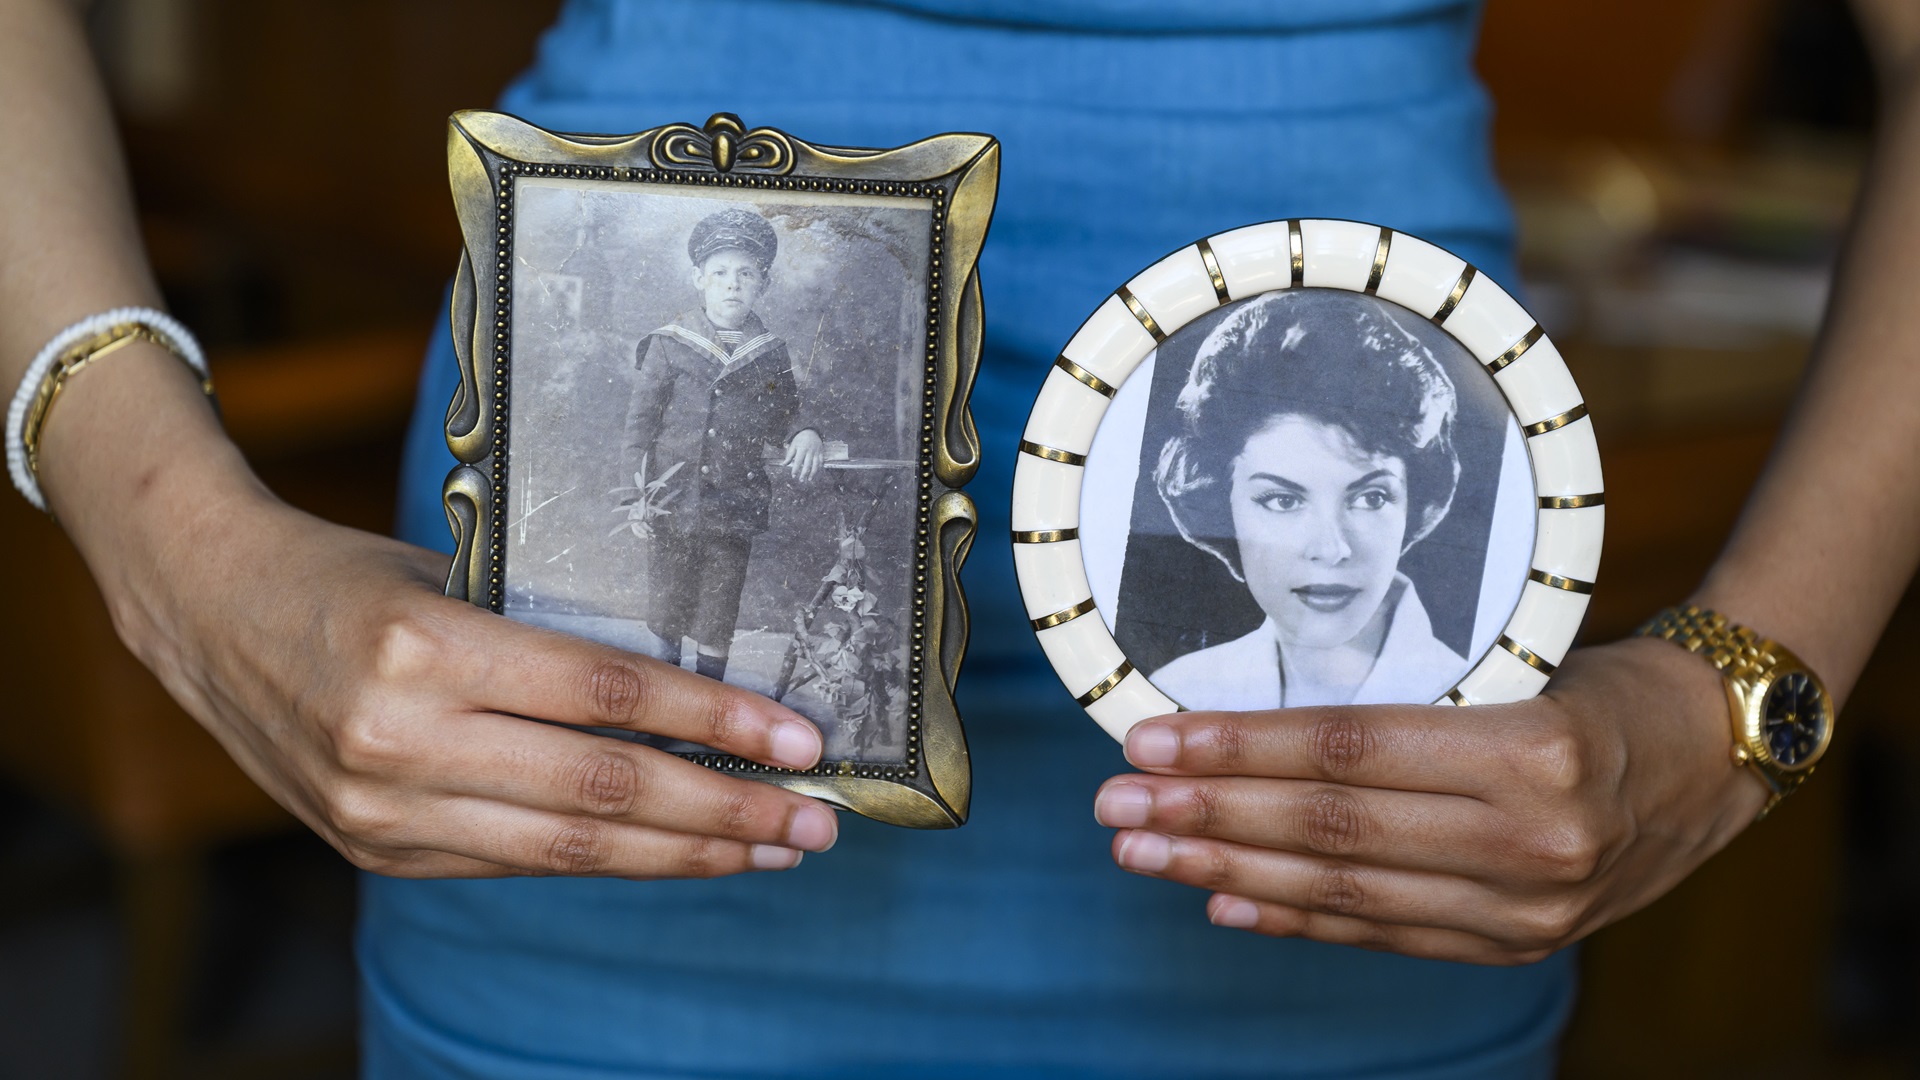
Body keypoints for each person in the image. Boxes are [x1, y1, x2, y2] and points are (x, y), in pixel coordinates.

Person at [6, 0, 1920, 1076]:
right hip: (603, 745)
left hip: (1355, 795)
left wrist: (1748, 694)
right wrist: (173, 553)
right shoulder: (689, 338)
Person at [1151, 289, 1472, 709]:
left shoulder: (1486, 694)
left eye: (1371, 497)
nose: (1331, 549)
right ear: (1220, 505)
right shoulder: (1178, 691)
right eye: (1283, 501)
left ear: (1413, 504)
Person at [627, 206, 824, 682]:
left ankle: (707, 701)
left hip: (733, 504)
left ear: (763, 284)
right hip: (669, 502)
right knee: (667, 607)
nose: (732, 283)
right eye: (720, 273)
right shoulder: (669, 343)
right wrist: (635, 497)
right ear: (700, 279)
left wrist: (806, 431)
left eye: (745, 273)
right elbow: (638, 430)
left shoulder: (769, 351)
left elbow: (786, 414)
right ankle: (662, 698)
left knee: (719, 610)